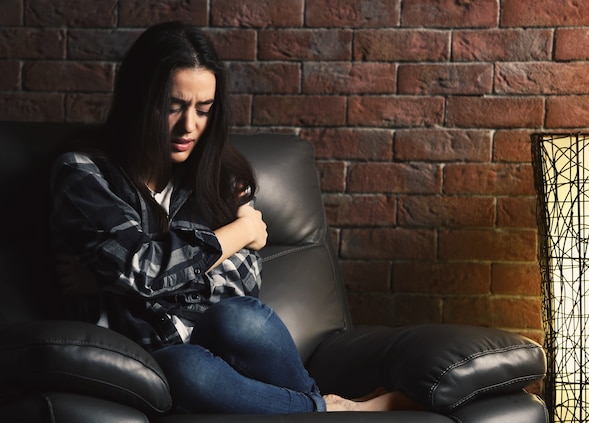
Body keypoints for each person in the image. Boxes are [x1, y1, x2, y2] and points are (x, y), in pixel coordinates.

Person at [50, 21, 418, 414]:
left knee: (243, 318)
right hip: (155, 357)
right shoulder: (83, 173)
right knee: (183, 366)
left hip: (226, 347)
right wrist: (238, 232)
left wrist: (118, 282)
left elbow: (243, 281)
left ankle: (319, 409)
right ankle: (337, 411)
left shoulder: (221, 176)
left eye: (203, 110)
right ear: (139, 101)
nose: (188, 127)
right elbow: (143, 268)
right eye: (172, 107)